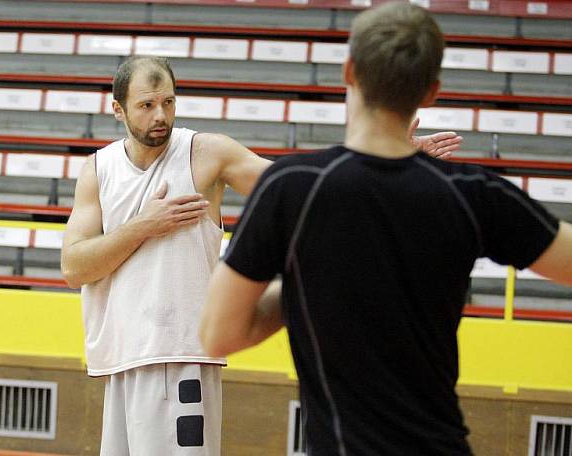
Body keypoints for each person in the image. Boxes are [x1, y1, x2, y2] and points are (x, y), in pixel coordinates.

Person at [199, 3, 572, 455]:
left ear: (349, 71)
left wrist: (304, 279)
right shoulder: (474, 194)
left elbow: (219, 333)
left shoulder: (292, 188)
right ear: (431, 92)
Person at [61, 54, 463, 455]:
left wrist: (382, 161)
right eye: (146, 105)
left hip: (178, 355)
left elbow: (299, 191)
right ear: (118, 109)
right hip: (121, 360)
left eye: (168, 102)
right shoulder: (99, 170)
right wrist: (144, 225)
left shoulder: (205, 153)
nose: (160, 115)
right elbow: (74, 267)